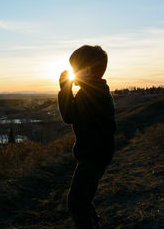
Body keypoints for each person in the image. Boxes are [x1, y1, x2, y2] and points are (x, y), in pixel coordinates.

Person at [58, 45, 117, 229]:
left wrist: (65, 89)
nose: (73, 72)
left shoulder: (91, 94)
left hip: (93, 156)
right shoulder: (96, 91)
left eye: (76, 68)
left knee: (76, 203)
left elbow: (69, 116)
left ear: (88, 71)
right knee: (83, 199)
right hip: (97, 154)